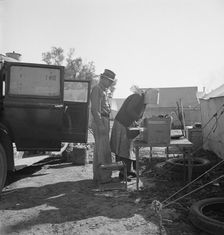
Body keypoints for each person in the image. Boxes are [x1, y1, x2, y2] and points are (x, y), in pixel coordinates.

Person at [110, 86, 150, 180]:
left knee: (129, 148)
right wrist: (136, 119)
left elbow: (138, 115)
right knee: (122, 149)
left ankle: (128, 170)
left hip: (127, 124)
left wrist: (137, 121)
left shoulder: (143, 102)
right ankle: (122, 173)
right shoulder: (137, 97)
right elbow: (129, 110)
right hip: (122, 123)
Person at [90, 69, 116, 184]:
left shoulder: (104, 90)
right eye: (109, 80)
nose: (111, 83)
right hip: (100, 121)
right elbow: (95, 109)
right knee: (103, 151)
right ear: (103, 79)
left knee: (99, 150)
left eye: (111, 81)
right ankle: (104, 177)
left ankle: (98, 176)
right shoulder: (97, 89)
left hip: (104, 120)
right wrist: (100, 124)